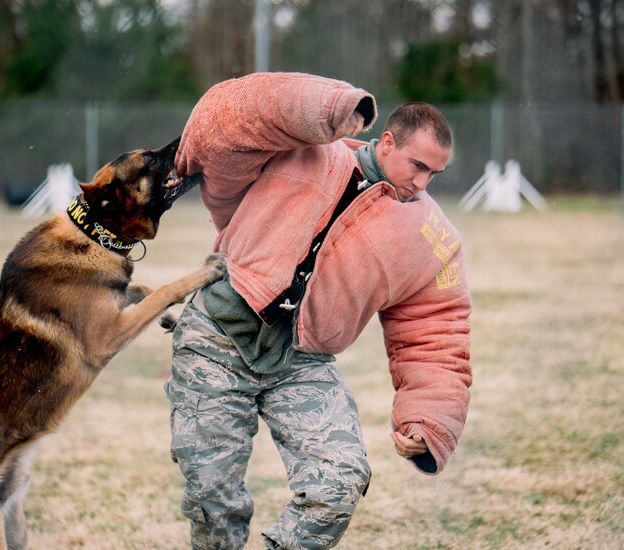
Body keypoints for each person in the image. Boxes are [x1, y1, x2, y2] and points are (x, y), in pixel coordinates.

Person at [165, 72, 472, 550]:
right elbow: (227, 118)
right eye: (417, 165)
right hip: (216, 340)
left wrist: (429, 419)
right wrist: (332, 105)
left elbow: (437, 331)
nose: (423, 182)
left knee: (340, 484)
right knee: (213, 499)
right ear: (386, 141)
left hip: (299, 362)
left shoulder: (430, 236)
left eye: (435, 174)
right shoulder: (304, 149)